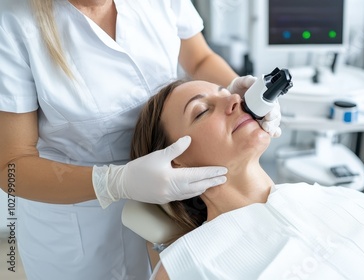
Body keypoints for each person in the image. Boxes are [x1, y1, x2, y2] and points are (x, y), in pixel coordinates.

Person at [0, 0, 281, 279]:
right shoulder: (12, 23)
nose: (232, 100)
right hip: (79, 231)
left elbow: (199, 58)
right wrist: (113, 182)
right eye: (201, 111)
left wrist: (248, 99)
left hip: (174, 207)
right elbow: (10, 166)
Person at [130, 79, 364, 280]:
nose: (235, 101)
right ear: (174, 162)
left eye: (227, 93)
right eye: (201, 111)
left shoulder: (350, 200)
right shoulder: (188, 264)